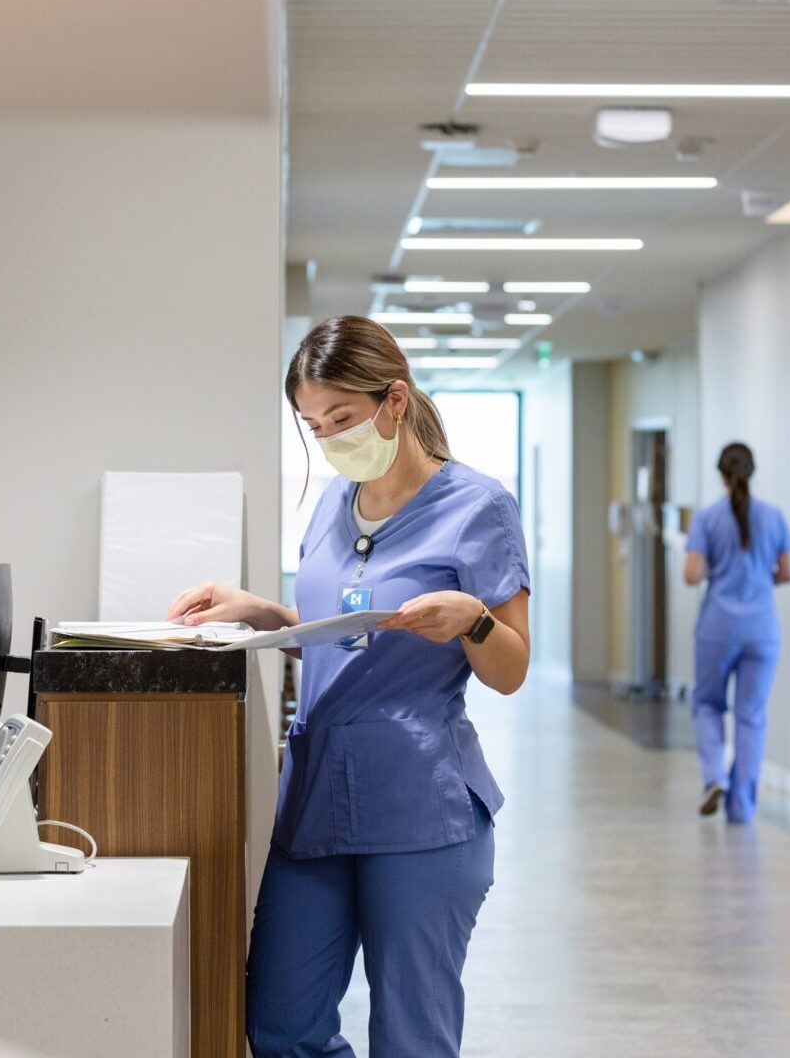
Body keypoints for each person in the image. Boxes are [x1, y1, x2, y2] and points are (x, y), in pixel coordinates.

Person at [166, 315, 530, 1058]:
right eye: (312, 423)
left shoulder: (478, 508)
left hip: (420, 808)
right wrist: (265, 611)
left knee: (409, 1038)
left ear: (394, 401)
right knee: (279, 1026)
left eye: (342, 417)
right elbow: (355, 626)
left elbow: (513, 669)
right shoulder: (335, 501)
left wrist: (474, 622)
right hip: (317, 799)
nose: (329, 437)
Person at [684, 442, 790, 825]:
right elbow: (787, 573)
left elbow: (691, 574)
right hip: (762, 629)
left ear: (721, 475)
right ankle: (742, 807)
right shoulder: (775, 517)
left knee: (707, 705)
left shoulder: (707, 518)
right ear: (752, 472)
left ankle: (714, 777)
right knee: (751, 716)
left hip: (718, 627)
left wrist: (716, 567)